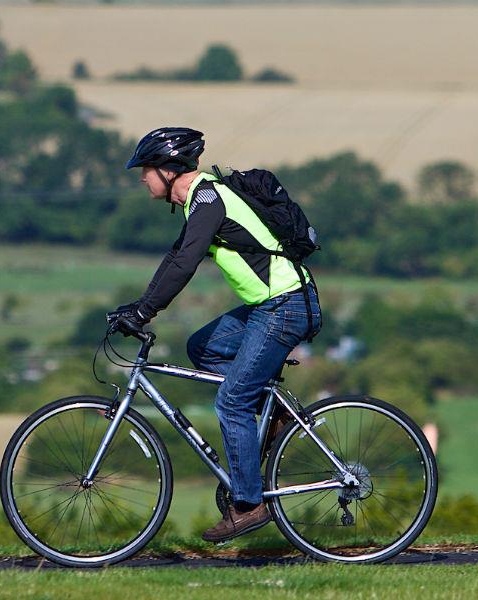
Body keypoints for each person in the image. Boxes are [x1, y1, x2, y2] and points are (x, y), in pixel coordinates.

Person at [108, 127, 322, 542]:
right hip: (270, 306)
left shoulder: (207, 199)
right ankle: (271, 411)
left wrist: (146, 311)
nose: (141, 178)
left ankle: (248, 504)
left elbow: (186, 262)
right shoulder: (200, 202)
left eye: (145, 170)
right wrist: (139, 307)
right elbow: (175, 259)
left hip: (284, 306)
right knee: (201, 347)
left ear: (169, 170)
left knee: (232, 401)